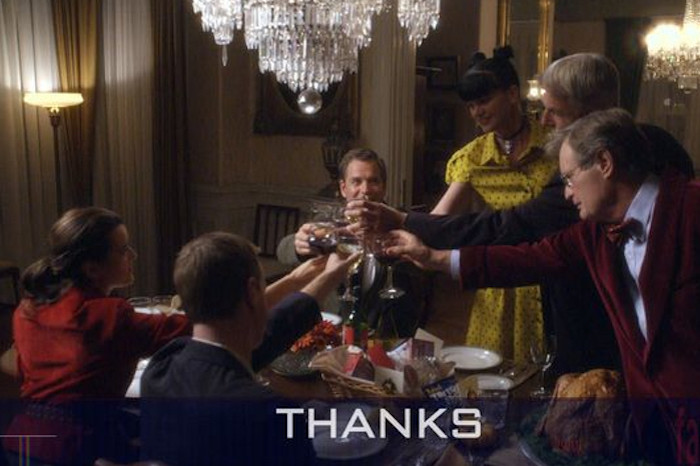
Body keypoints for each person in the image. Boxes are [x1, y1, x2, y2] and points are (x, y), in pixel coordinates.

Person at [347, 53, 694, 376]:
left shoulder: (583, 158)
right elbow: (537, 254)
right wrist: (429, 253)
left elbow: (514, 225)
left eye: (554, 111)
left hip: (596, 321)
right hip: (534, 281)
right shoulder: (587, 217)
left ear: (592, 116)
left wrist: (405, 221)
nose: (545, 120)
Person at [386, 109, 700, 464]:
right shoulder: (595, 232)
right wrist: (434, 258)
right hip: (654, 431)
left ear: (604, 163)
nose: (566, 193)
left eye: (569, 178)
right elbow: (528, 258)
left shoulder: (691, 209)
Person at [6, 207, 348, 464]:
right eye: (123, 250)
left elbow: (14, 365)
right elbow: (213, 324)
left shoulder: (29, 306)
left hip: (18, 440)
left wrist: (295, 280)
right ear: (92, 267)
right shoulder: (110, 316)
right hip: (73, 449)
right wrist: (301, 282)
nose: (133, 255)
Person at [140, 232, 358, 465]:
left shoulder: (160, 369)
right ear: (253, 292)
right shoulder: (268, 413)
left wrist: (315, 278)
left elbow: (273, 328)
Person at [432, 47, 558, 363]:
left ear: (513, 94)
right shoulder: (472, 158)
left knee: (551, 371)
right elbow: (439, 220)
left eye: (484, 101)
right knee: (491, 371)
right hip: (500, 276)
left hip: (553, 273)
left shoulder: (556, 146)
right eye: (471, 105)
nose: (477, 112)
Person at [278, 148, 422, 337]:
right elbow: (282, 251)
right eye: (356, 181)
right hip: (334, 331)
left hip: (389, 334)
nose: (366, 190)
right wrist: (298, 246)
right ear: (343, 188)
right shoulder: (328, 224)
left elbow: (423, 272)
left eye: (373, 181)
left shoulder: (402, 223)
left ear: (384, 187)